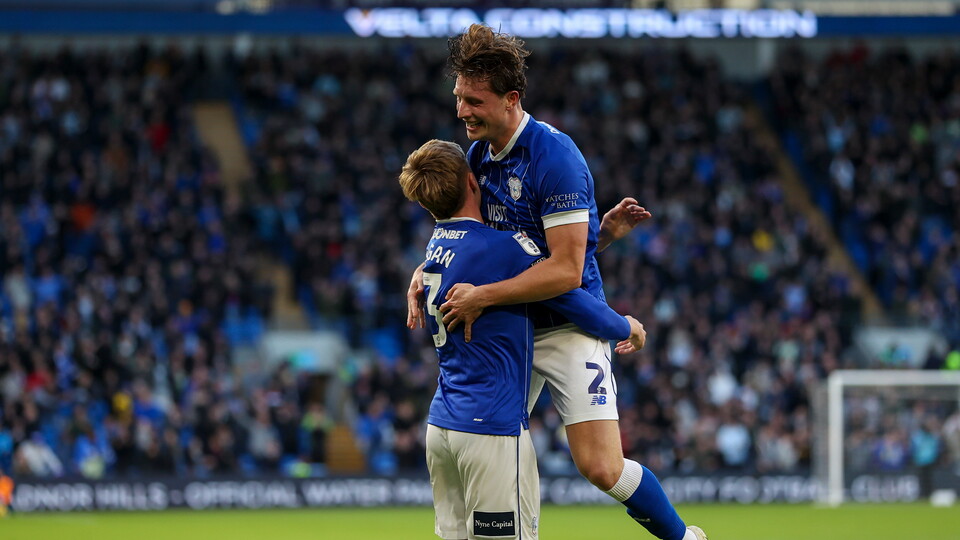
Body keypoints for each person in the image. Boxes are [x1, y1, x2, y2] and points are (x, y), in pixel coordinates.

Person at [407, 25, 706, 540]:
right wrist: (425, 270)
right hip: (515, 325)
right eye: (458, 98)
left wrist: (484, 295)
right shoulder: (477, 156)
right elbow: (483, 245)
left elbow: (565, 271)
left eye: (474, 101)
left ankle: (684, 537)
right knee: (479, 436)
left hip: (570, 322)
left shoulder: (555, 158)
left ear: (511, 99)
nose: (462, 112)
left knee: (602, 468)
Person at [400, 139, 648, 539]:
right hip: (491, 431)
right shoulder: (502, 248)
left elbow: (530, 272)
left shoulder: (434, 250)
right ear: (472, 182)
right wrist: (628, 327)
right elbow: (565, 288)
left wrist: (600, 239)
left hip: (442, 428)